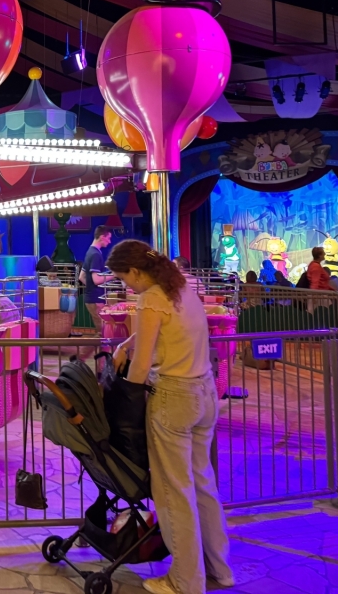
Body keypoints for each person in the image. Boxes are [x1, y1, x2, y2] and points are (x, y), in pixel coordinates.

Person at [107, 240, 233, 594]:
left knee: (174, 492)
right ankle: (219, 569)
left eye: (124, 279)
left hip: (173, 398)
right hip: (205, 392)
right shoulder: (180, 287)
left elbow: (142, 365)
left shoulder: (149, 299)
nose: (127, 286)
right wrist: (127, 342)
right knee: (203, 484)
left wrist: (123, 399)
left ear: (135, 271)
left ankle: (184, 581)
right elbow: (166, 328)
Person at [79, 225, 114, 329]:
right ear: (102, 237)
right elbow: (96, 280)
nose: (109, 241)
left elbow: (81, 277)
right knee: (104, 331)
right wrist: (114, 275)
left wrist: (91, 288)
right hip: (97, 299)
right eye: (108, 238)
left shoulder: (90, 251)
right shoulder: (95, 254)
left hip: (90, 299)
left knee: (101, 330)